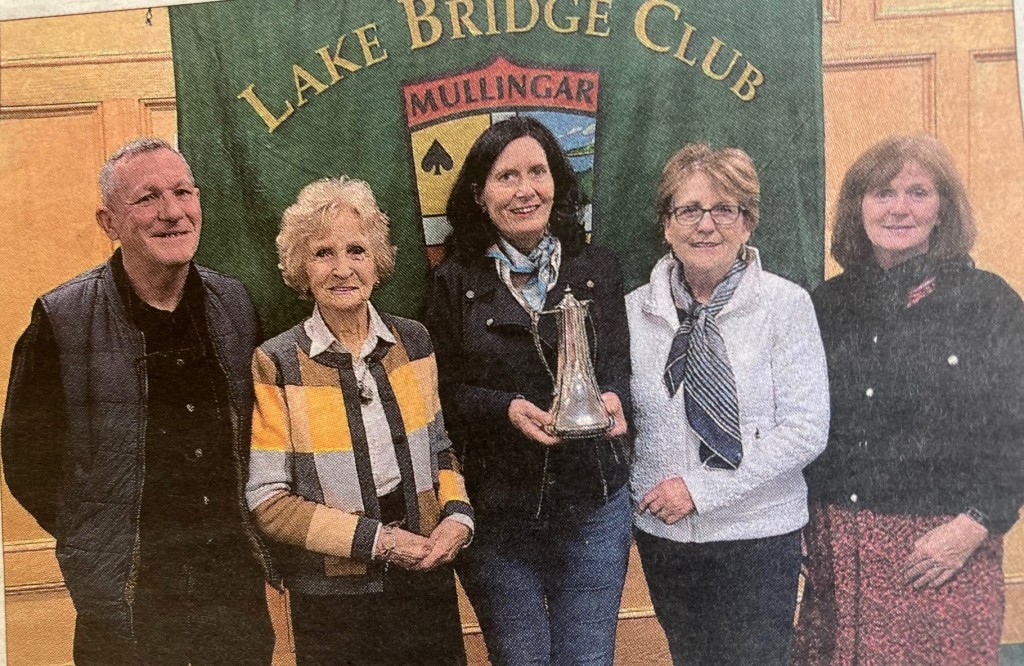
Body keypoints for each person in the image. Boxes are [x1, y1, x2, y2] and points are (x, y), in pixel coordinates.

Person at [1, 138, 274, 665]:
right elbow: (26, 462)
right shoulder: (62, 319)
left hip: (232, 596)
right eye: (147, 198)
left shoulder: (235, 304)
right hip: (126, 605)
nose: (172, 212)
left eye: (182, 192)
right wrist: (97, 532)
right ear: (109, 222)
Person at [794, 135, 1024, 665]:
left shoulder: (990, 303)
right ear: (858, 207)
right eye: (882, 193)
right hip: (840, 550)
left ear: (943, 209)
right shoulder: (823, 306)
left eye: (918, 192)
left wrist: (973, 526)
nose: (899, 207)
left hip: (944, 550)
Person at [425, 116, 632, 666]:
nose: (525, 190)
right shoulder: (452, 280)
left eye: (538, 172)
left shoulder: (598, 268)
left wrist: (615, 402)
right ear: (478, 194)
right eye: (506, 176)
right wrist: (507, 409)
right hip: (498, 515)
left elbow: (619, 371)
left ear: (558, 183)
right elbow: (441, 394)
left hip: (594, 505)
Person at [246, 175, 473, 666]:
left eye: (357, 250)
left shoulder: (414, 342)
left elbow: (441, 451)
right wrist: (382, 543)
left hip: (425, 577)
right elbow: (268, 501)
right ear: (300, 269)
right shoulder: (277, 362)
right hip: (331, 598)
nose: (342, 268)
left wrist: (458, 517)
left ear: (378, 262)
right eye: (323, 253)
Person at [626, 143, 829, 666]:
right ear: (666, 225)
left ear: (748, 223)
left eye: (724, 209)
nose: (706, 225)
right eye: (689, 210)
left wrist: (699, 489)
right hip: (667, 537)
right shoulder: (631, 312)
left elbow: (807, 430)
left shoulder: (786, 305)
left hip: (759, 534)